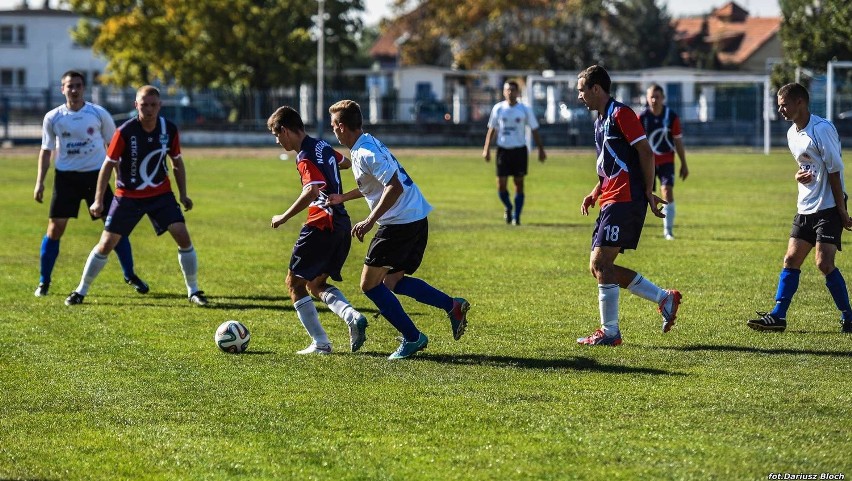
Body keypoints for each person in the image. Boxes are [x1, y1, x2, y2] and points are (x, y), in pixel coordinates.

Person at [326, 99, 470, 360]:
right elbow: (375, 185)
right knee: (392, 281)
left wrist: (370, 220)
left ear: (342, 126)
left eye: (333, 126)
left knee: (369, 285)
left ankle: (412, 337)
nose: (332, 131)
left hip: (399, 223)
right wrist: (342, 198)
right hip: (414, 217)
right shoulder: (365, 145)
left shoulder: (365, 151)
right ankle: (453, 306)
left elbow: (394, 186)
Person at [64, 85, 208, 307]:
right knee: (106, 243)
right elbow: (107, 166)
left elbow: (176, 162)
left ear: (160, 105)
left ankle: (194, 290)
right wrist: (99, 200)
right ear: (136, 105)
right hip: (128, 196)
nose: (148, 109)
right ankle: (80, 290)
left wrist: (183, 194)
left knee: (182, 234)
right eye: (144, 105)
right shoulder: (124, 132)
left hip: (160, 193)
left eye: (153, 105)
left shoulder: (168, 129)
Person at [575, 65, 682, 346]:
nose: (579, 97)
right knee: (598, 268)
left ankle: (610, 332)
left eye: (581, 90)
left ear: (596, 89)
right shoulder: (600, 120)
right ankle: (664, 297)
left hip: (626, 198)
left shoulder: (621, 114)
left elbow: (645, 152)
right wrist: (595, 192)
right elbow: (610, 164)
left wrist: (647, 190)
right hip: (610, 197)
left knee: (602, 263)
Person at [33, 70, 148, 297]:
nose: (74, 90)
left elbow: (114, 149)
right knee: (55, 229)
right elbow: (46, 151)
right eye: (69, 86)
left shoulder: (98, 113)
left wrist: (119, 177)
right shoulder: (53, 117)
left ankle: (130, 274)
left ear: (83, 88)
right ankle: (44, 282)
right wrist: (40, 183)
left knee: (116, 228)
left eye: (78, 85)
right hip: (66, 178)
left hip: (96, 177)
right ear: (62, 89)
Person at [748, 83, 852, 334]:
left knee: (823, 263)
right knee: (791, 259)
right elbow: (808, 167)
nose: (780, 109)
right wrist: (798, 176)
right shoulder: (792, 134)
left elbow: (835, 170)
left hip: (828, 207)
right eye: (779, 104)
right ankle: (778, 316)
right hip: (805, 206)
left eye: (783, 104)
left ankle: (849, 316)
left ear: (800, 103)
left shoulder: (822, 129)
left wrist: (842, 210)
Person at [266, 106, 369, 354]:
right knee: (316, 283)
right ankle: (352, 316)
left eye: (276, 135)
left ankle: (321, 343)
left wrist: (283, 216)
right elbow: (344, 162)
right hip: (341, 223)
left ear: (286, 130)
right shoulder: (322, 146)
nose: (278, 141)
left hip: (321, 224)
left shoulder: (304, 155)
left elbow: (311, 189)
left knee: (294, 283)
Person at [482, 80, 547, 226]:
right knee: (501, 185)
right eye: (507, 90)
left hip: (519, 151)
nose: (510, 92)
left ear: (518, 92)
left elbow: (534, 129)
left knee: (519, 184)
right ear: (504, 92)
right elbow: (491, 129)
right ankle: (509, 206)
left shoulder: (524, 109)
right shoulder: (498, 108)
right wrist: (486, 149)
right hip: (503, 150)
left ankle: (516, 217)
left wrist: (541, 150)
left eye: (513, 90)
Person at [639, 83, 689, 240]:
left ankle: (668, 231)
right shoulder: (642, 118)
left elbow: (678, 142)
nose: (654, 100)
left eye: (657, 97)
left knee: (667, 192)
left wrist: (684, 163)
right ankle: (634, 230)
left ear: (663, 98)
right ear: (647, 98)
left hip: (667, 161)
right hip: (648, 163)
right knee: (641, 197)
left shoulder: (671, 117)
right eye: (651, 97)